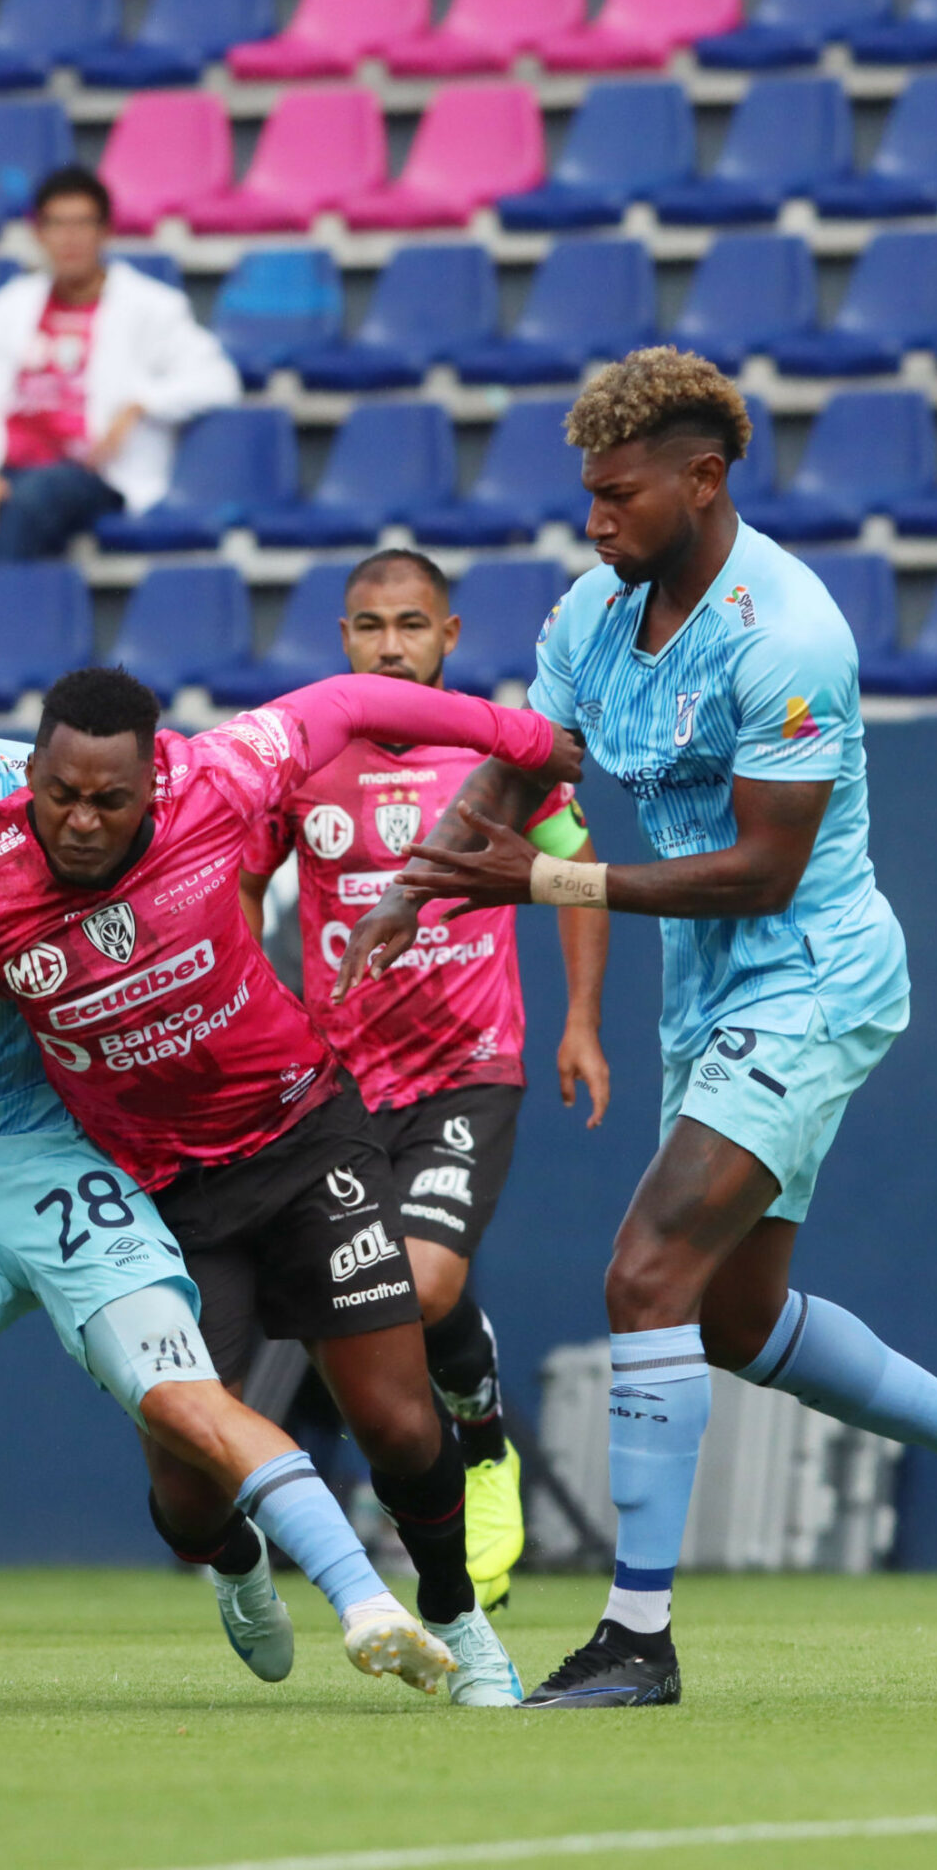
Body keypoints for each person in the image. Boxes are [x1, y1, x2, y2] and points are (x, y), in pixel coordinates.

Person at [337, 348, 937, 1709]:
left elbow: (762, 869)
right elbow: (526, 773)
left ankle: (637, 1640)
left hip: (813, 973)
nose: (596, 521)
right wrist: (413, 889)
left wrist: (542, 882)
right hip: (709, 989)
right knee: (731, 1318)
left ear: (704, 480)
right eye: (588, 495)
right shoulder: (593, 614)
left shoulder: (789, 634)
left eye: (619, 495)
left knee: (644, 1277)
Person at [0, 665, 587, 1706]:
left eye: (109, 799)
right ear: (34, 778)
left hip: (302, 1141)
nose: (81, 821)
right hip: (163, 1189)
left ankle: (457, 1620)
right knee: (187, 1499)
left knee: (398, 1424)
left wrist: (517, 735)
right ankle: (237, 1567)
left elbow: (350, 700)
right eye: (60, 795)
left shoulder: (220, 779)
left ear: (155, 781)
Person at [241, 549, 611, 1615]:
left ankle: (483, 1450)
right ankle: (423, 1482)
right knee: (365, 1303)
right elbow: (236, 885)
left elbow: (577, 879)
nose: (390, 644)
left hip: (466, 1067)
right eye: (368, 626)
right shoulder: (301, 759)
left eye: (411, 624)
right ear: (343, 640)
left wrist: (581, 1022)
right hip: (338, 1079)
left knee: (428, 1283)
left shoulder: (497, 760)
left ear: (450, 636)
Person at [0, 166, 239, 574]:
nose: (70, 237)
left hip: (89, 474)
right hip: (5, 467)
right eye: (57, 224)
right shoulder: (10, 305)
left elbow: (219, 380)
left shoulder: (151, 306)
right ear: (38, 233)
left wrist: (140, 404)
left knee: (29, 503)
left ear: (106, 231)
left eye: (83, 223)